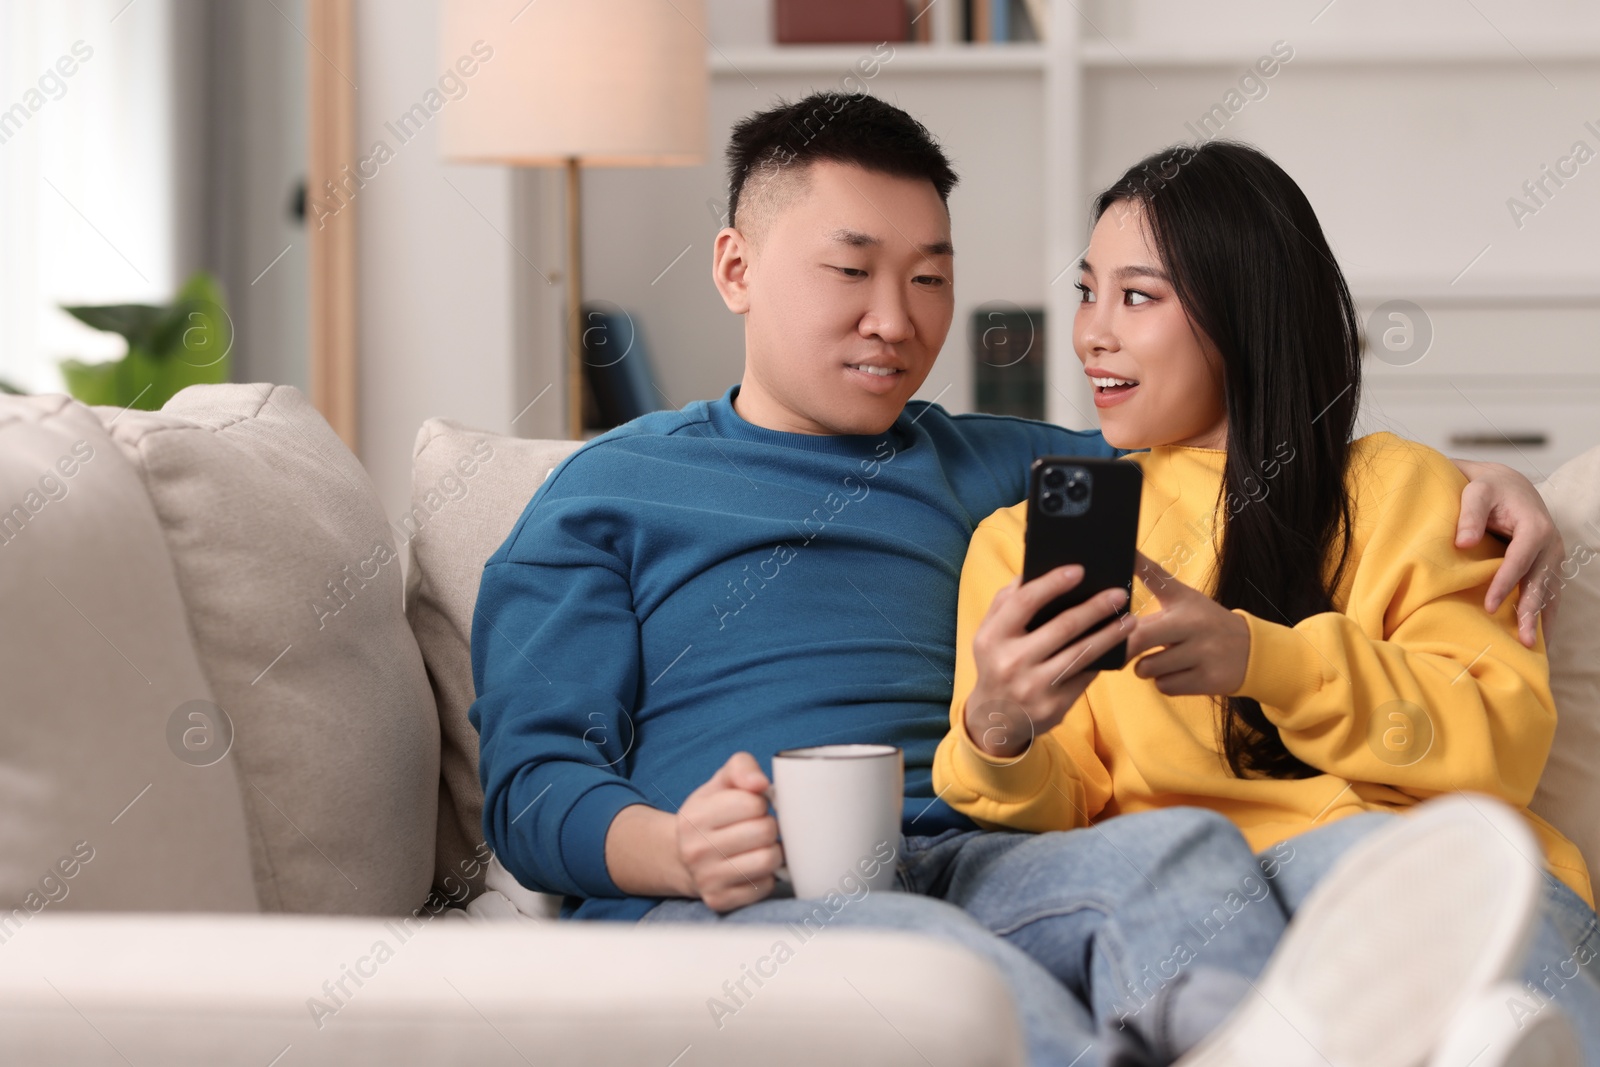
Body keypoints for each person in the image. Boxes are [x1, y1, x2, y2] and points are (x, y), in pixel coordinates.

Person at [469, 94, 1567, 1065]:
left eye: (930, 278)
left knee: (1174, 850)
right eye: (851, 270)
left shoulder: (999, 467)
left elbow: (1242, 446)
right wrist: (673, 845)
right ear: (736, 268)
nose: (895, 320)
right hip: (737, 891)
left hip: (967, 855)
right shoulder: (604, 494)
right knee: (949, 969)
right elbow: (530, 786)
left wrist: (1506, 485)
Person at [933, 140, 1599, 1061]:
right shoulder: (1026, 540)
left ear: (1244, 311)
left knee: (1500, 976)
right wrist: (997, 726)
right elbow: (1069, 815)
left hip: (1413, 868)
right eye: (1087, 290)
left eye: (1137, 295)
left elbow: (1499, 743)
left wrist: (1266, 661)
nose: (1091, 331)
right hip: (1202, 916)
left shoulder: (1405, 489)